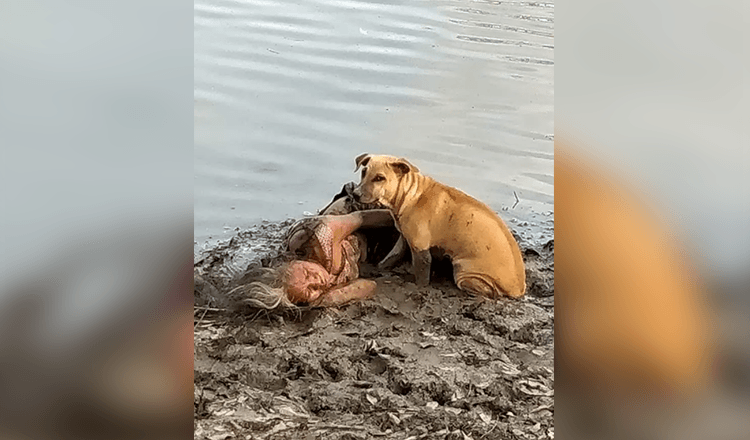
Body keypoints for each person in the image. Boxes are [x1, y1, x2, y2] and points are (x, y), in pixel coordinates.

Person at [231, 206, 396, 309]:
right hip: (369, 253)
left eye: (306, 273)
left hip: (361, 216)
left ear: (292, 262)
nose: (317, 281)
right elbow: (370, 286)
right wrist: (331, 298)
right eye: (310, 291)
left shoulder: (321, 237)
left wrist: (401, 219)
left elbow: (361, 217)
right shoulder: (323, 292)